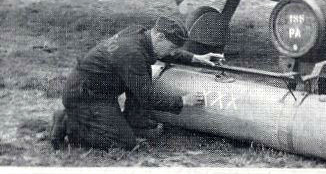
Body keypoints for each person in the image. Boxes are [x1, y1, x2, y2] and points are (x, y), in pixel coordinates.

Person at [49, 15, 222, 151]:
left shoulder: (140, 34)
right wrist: (182, 101)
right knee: (123, 143)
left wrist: (195, 57)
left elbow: (163, 53)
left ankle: (135, 122)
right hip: (85, 96)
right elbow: (147, 97)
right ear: (160, 36)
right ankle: (67, 122)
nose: (171, 52)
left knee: (143, 74)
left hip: (99, 91)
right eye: (171, 47)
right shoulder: (132, 54)